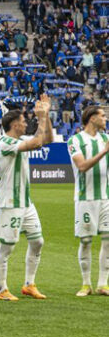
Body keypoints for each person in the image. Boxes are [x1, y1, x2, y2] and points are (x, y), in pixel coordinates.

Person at [0, 95, 53, 302]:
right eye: (24, 120)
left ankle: (29, 284)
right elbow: (37, 142)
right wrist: (42, 117)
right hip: (9, 203)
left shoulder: (19, 140)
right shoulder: (4, 143)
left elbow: (47, 140)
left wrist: (46, 116)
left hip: (26, 202)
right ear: (14, 124)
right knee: (7, 247)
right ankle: (2, 288)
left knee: (37, 241)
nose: (27, 123)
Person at [67, 106, 109, 297]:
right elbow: (82, 166)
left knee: (108, 240)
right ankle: (86, 284)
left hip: (105, 198)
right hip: (85, 198)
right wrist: (104, 152)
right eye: (102, 115)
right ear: (92, 119)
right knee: (85, 241)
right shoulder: (75, 140)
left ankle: (103, 283)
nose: (105, 118)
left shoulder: (105, 139)